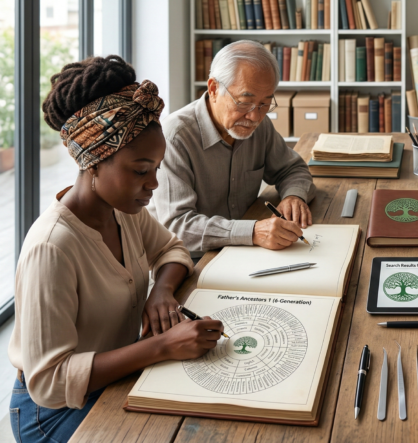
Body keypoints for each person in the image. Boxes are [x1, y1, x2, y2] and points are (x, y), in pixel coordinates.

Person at [8, 56, 224, 443]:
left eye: (157, 168)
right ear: (92, 163)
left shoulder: (122, 211)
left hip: (118, 375)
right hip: (54, 414)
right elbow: (50, 382)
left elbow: (172, 248)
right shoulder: (52, 247)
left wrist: (161, 291)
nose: (153, 184)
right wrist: (160, 345)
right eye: (141, 170)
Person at [149, 40, 316, 258]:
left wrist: (294, 196)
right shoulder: (174, 137)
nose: (255, 116)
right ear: (214, 89)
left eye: (265, 104)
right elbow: (178, 225)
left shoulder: (260, 126)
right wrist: (252, 232)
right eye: (244, 102)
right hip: (187, 260)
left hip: (243, 250)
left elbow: (292, 169)